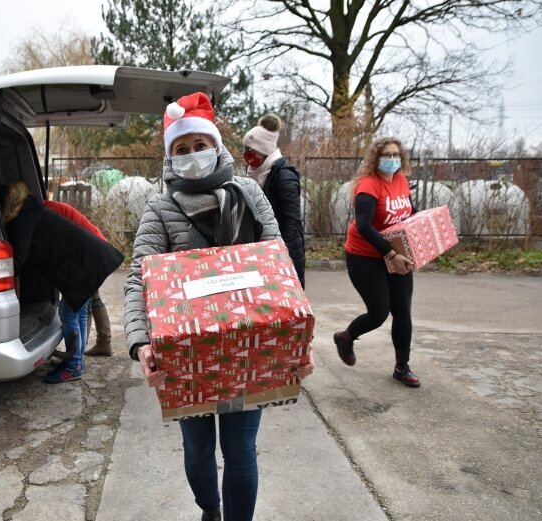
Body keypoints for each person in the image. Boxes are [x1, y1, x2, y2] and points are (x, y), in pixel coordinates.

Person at [123, 92, 315, 521]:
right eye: (182, 149)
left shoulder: (249, 194)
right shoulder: (160, 207)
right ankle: (210, 507)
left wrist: (300, 342)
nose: (193, 155)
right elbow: (139, 278)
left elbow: (277, 267)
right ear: (171, 157)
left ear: (217, 145)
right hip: (186, 353)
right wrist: (140, 344)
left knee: (241, 449)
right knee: (197, 449)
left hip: (250, 347)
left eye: (200, 145)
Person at [1, 182, 123, 383]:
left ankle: (73, 365)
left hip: (83, 262)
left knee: (68, 314)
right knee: (80, 311)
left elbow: (19, 259)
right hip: (87, 258)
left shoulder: (22, 217)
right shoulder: (32, 210)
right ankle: (77, 361)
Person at [332, 137, 421, 388]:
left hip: (396, 253)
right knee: (379, 312)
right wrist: (391, 254)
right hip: (365, 255)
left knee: (403, 310)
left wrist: (423, 238)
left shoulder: (402, 181)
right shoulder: (369, 185)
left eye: (396, 155)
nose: (392, 159)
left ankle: (402, 366)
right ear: (376, 158)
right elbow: (364, 225)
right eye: (386, 155)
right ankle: (345, 337)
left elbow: (409, 214)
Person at [42, 199, 113, 357]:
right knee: (92, 299)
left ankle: (79, 353)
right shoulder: (50, 206)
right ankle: (102, 343)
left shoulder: (48, 211)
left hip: (93, 251)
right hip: (96, 247)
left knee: (82, 301)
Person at [242, 114, 306, 288]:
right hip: (265, 248)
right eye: (246, 149)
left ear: (264, 150)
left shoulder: (284, 177)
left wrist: (283, 258)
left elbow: (291, 222)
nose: (247, 155)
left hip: (283, 252)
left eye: (251, 150)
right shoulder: (257, 173)